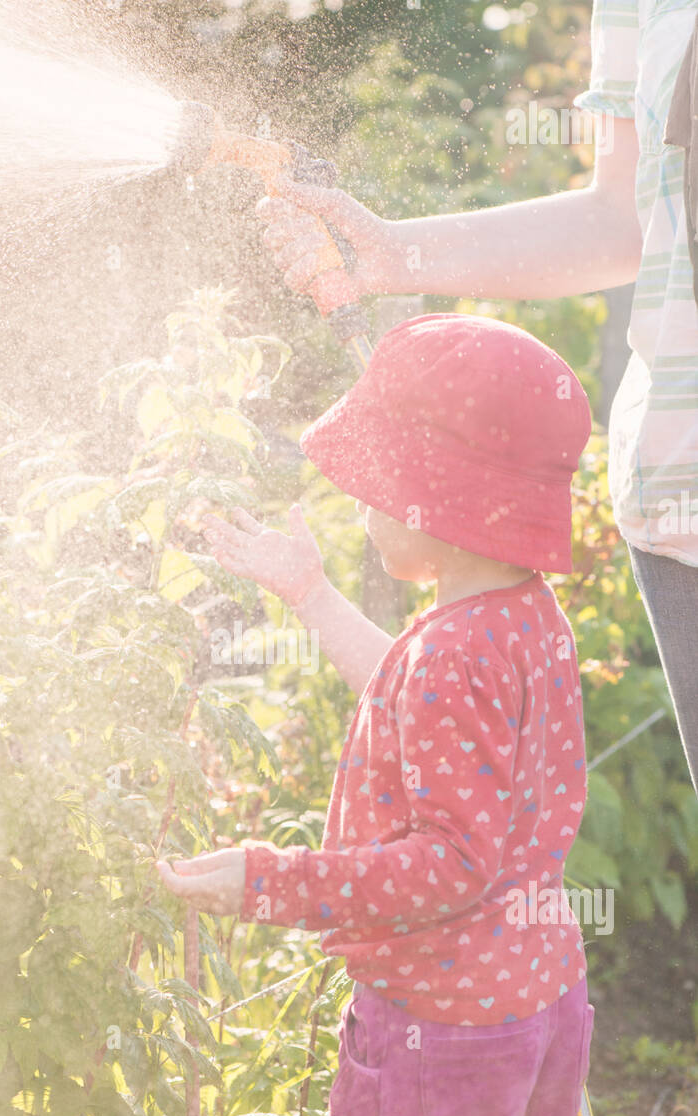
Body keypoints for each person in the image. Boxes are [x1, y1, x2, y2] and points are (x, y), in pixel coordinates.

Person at [158, 312, 597, 1116]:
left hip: (438, 1044)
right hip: (533, 1007)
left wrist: (272, 881)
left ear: (445, 498)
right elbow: (413, 704)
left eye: (375, 489)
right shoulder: (519, 617)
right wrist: (309, 591)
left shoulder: (453, 651)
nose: (359, 508)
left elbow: (450, 863)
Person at [255, 0, 698, 793]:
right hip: (680, 508)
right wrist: (391, 251)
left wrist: (270, 883)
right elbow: (621, 217)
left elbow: (445, 857)